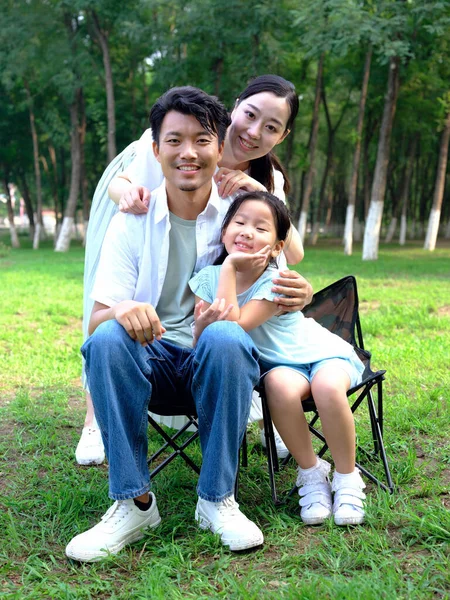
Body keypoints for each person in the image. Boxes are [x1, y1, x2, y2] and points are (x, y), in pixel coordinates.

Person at [66, 86, 274, 563]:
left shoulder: (239, 221)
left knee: (224, 334)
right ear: (155, 149)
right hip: (152, 361)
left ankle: (217, 500)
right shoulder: (133, 218)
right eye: (174, 140)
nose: (188, 153)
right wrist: (120, 311)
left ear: (220, 149)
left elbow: (280, 267)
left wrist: (297, 289)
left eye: (202, 140)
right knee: (106, 338)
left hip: (215, 365)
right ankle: (134, 502)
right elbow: (99, 315)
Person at [76, 74, 313, 466]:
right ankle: (94, 418)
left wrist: (258, 195)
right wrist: (130, 197)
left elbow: (290, 249)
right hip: (146, 228)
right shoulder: (186, 132)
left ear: (283, 136)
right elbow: (121, 183)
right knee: (110, 315)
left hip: (213, 270)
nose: (254, 132)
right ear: (235, 107)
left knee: (227, 326)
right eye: (250, 115)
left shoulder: (264, 178)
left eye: (271, 127)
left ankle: (272, 409)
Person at [189, 191, 367, 527]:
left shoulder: (277, 281)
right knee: (279, 389)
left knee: (328, 388)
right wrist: (224, 276)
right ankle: (312, 473)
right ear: (224, 231)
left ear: (276, 248)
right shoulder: (206, 280)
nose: (247, 231)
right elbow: (211, 340)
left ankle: (346, 477)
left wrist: (228, 266)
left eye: (260, 227)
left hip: (320, 353)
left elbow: (234, 325)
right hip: (281, 367)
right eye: (239, 223)